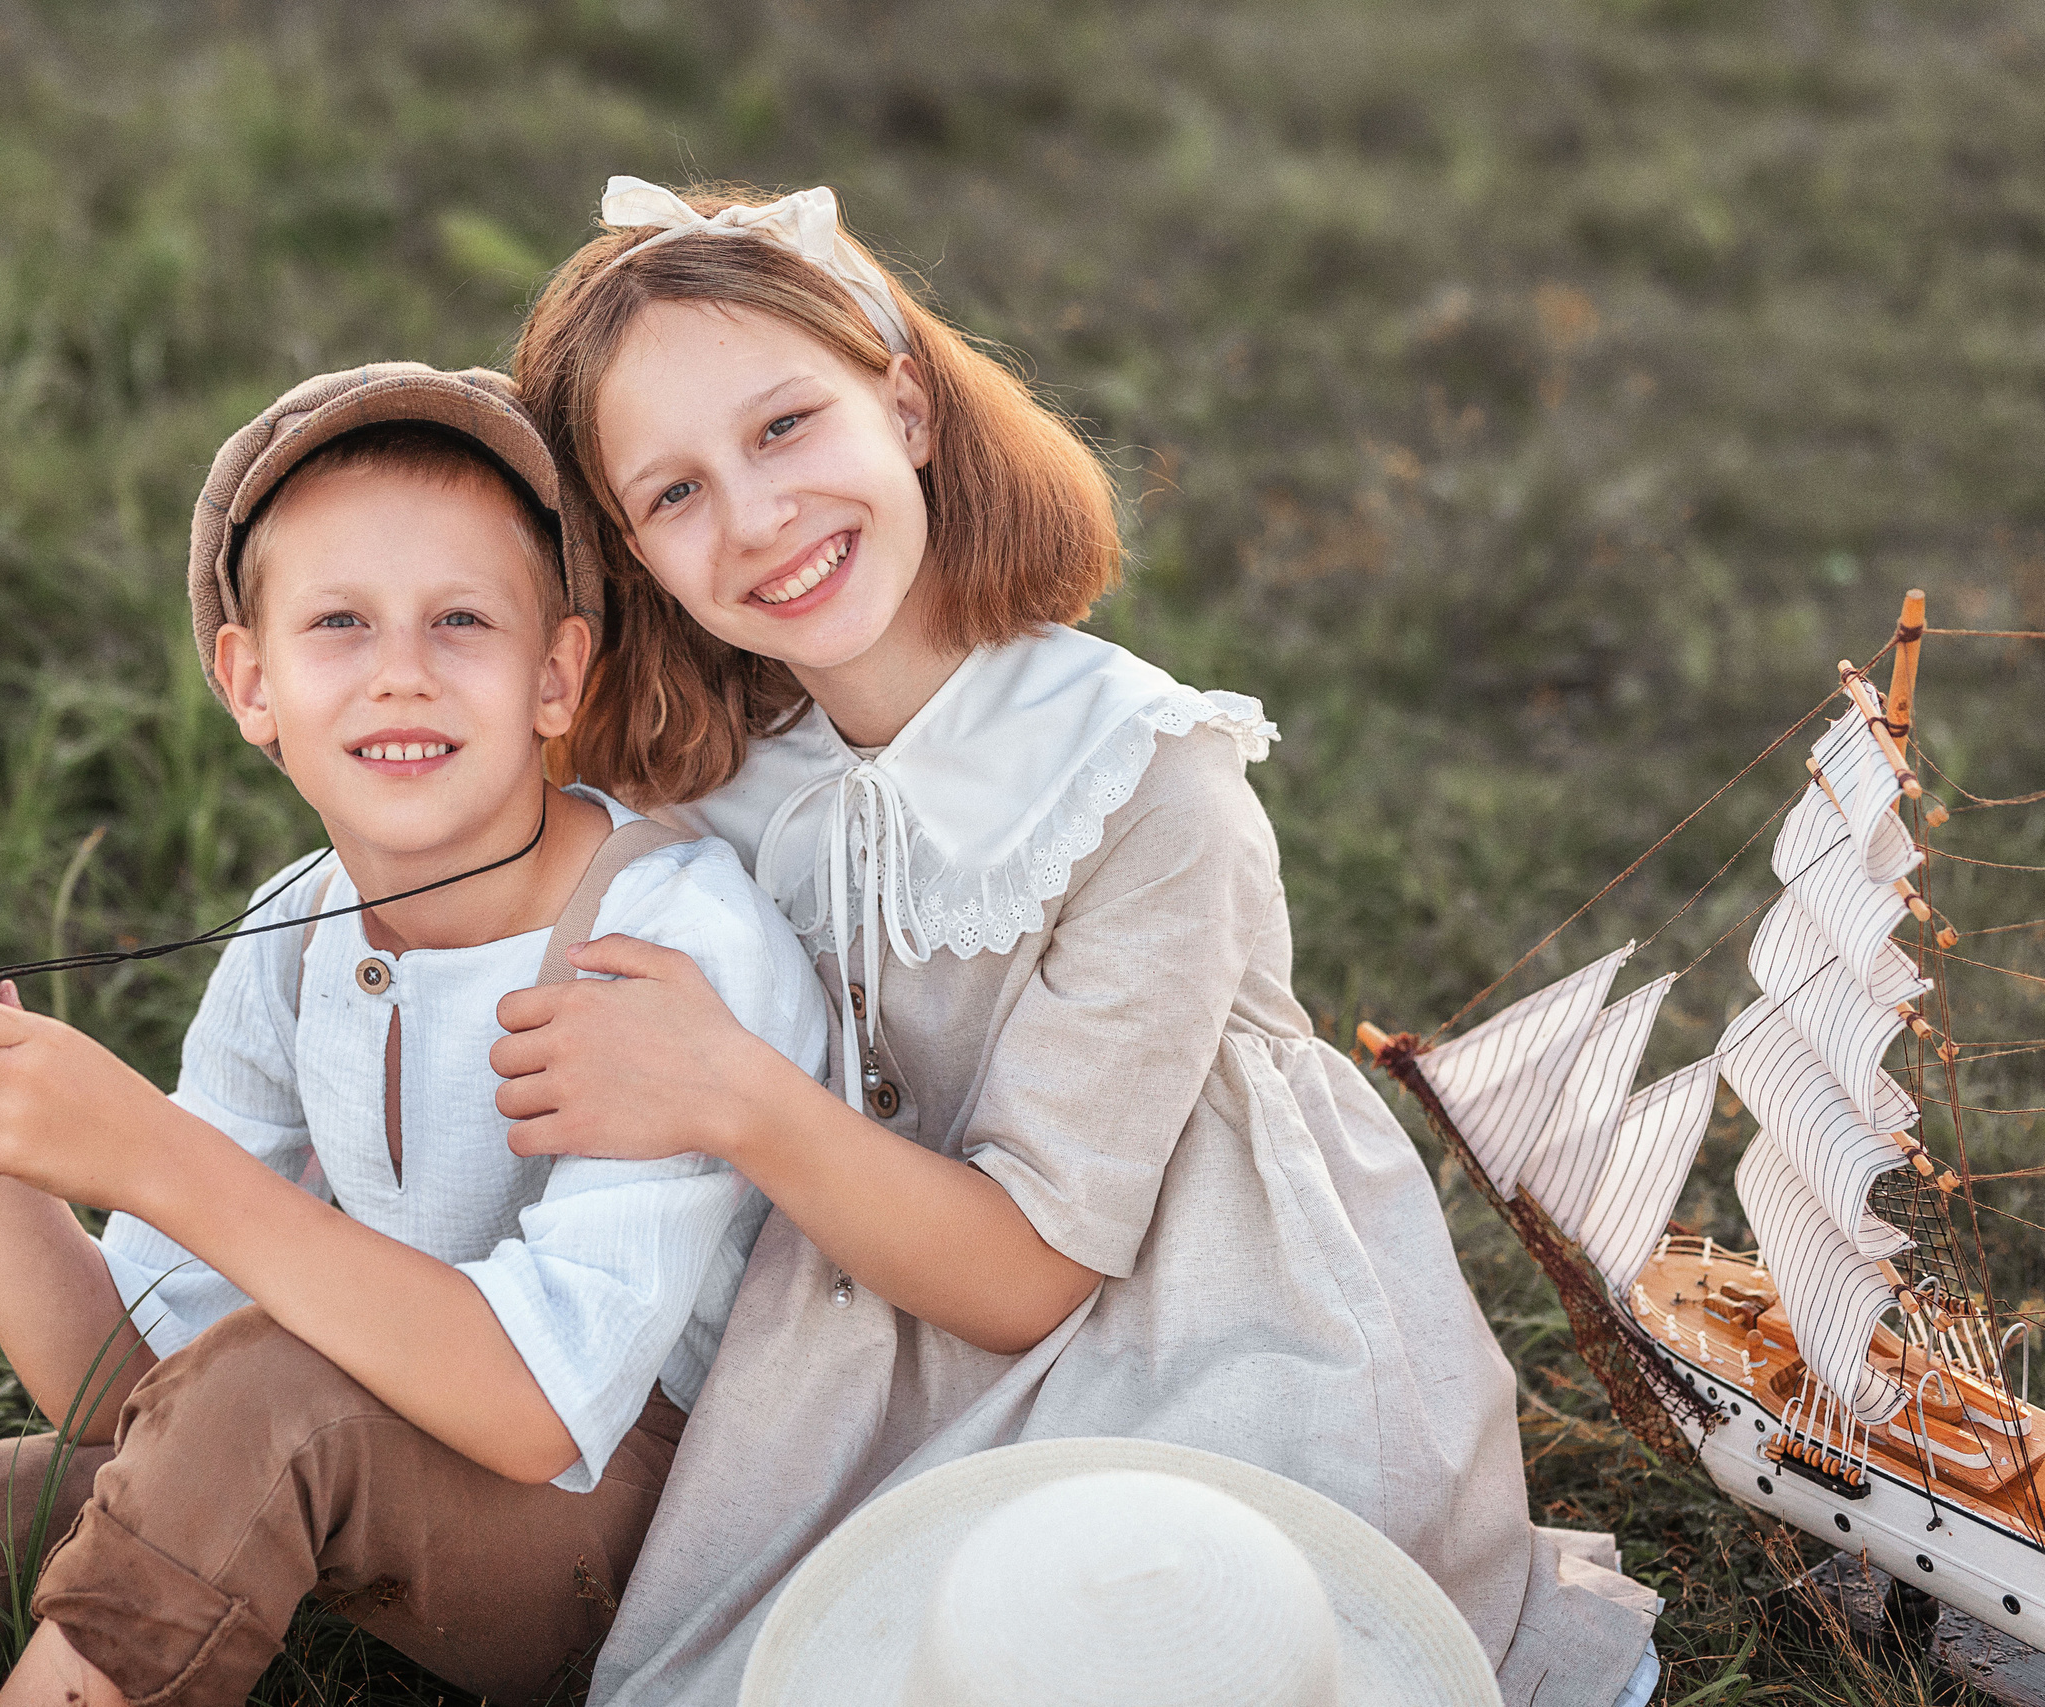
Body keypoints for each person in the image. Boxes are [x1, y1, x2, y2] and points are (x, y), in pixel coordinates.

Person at [492, 179, 1664, 1707]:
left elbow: (1035, 1272)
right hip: (864, 1318)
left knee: (1152, 1628)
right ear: (632, 554)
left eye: (786, 428)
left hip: (1189, 1313)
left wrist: (732, 1096)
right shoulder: (719, 780)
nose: (758, 518)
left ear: (906, 405)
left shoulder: (1143, 777)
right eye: (674, 493)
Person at [0, 363, 825, 1707]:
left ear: (556, 673)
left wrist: (154, 1156)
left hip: (658, 1541)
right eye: (339, 623)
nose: (400, 675)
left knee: (263, 1397)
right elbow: (120, 1391)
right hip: (360, 1461)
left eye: (461, 620)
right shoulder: (296, 930)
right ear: (252, 683)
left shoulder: (662, 939)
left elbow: (542, 1412)